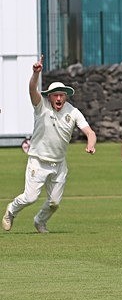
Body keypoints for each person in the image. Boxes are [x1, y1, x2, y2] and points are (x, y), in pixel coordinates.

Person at [3, 55, 97, 234]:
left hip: (59, 163)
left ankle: (39, 221)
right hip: (38, 161)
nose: (59, 98)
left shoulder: (73, 112)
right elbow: (32, 90)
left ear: (66, 96)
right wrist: (35, 74)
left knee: (54, 203)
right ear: (50, 96)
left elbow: (90, 132)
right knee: (30, 197)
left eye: (62, 95)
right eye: (56, 95)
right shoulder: (41, 106)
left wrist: (91, 144)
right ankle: (11, 211)